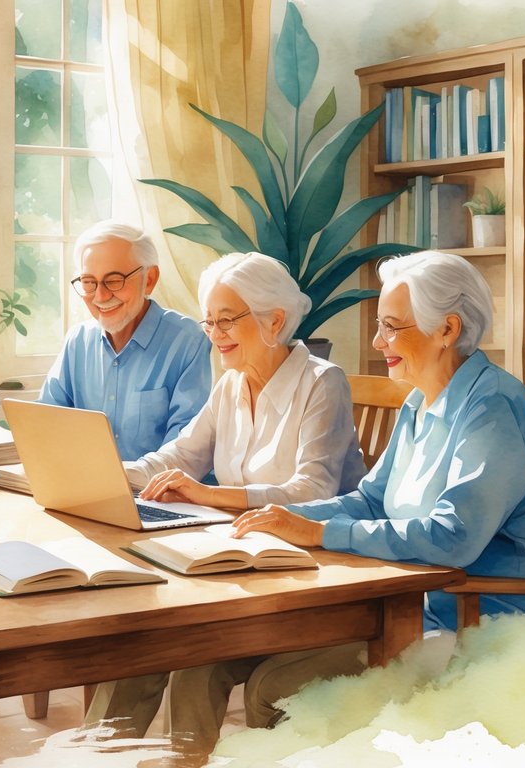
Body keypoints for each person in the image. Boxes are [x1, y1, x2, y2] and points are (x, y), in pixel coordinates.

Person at [170, 251, 525, 764]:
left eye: (391, 327)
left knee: (273, 684)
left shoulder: (491, 408)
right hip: (404, 601)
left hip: (479, 615)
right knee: (202, 658)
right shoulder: (420, 401)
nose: (377, 342)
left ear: (447, 329)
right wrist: (287, 521)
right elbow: (371, 499)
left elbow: (454, 538)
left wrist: (320, 535)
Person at [81, 251, 366, 739]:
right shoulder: (231, 383)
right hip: (244, 564)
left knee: (176, 646)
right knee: (141, 643)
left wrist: (212, 496)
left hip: (313, 576)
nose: (214, 334)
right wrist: (98, 474)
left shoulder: (323, 382)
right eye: (208, 322)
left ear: (274, 320)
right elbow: (177, 458)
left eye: (227, 321)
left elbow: (313, 490)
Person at [38, 220, 212, 461]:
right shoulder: (77, 340)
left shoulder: (188, 340)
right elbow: (45, 423)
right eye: (89, 282)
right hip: (83, 488)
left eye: (114, 280)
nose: (100, 296)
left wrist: (122, 481)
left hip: (153, 493)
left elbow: (185, 448)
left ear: (149, 279)